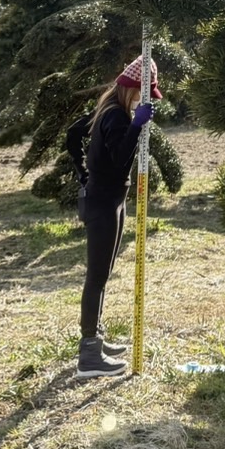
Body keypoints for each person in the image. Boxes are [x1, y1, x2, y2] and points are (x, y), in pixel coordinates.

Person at [65, 54, 161, 379]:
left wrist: (83, 173)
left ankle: (97, 342)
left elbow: (72, 136)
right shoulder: (117, 116)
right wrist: (135, 127)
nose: (141, 102)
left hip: (109, 201)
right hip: (103, 203)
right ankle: (89, 356)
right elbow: (121, 159)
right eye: (141, 95)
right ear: (133, 89)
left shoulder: (107, 109)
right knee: (96, 279)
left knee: (102, 277)